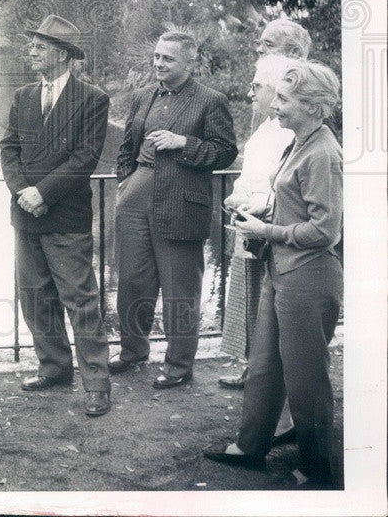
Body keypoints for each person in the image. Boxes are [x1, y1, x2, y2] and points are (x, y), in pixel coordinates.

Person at [204, 62, 344, 488]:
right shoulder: (299, 141)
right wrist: (263, 211)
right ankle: (251, 447)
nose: (275, 107)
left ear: (313, 107)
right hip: (281, 270)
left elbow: (324, 230)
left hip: (308, 277)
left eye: (283, 100)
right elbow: (296, 203)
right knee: (264, 364)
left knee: (306, 379)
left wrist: (265, 229)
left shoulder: (323, 153)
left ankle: (319, 468)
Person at [109, 31, 237, 388]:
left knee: (181, 288)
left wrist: (184, 143)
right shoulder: (142, 96)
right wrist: (126, 180)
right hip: (136, 195)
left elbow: (225, 151)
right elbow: (126, 146)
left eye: (168, 59)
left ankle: (179, 366)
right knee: (132, 280)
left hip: (181, 201)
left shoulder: (210, 100)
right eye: (156, 57)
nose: (159, 64)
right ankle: (133, 351)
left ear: (190, 62)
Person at [0, 15, 112, 418]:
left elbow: (85, 158)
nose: (31, 51)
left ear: (62, 55)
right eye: (32, 45)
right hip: (26, 214)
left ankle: (97, 384)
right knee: (34, 297)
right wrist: (22, 192)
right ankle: (54, 367)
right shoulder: (23, 96)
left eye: (39, 46)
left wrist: (43, 193)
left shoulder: (92, 99)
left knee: (81, 301)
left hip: (66, 217)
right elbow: (8, 149)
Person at [219, 55, 298, 390]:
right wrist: (235, 195)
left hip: (265, 227)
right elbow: (249, 175)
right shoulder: (264, 128)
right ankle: (252, 368)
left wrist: (254, 204)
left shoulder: (287, 134)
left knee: (266, 302)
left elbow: (281, 186)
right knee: (248, 299)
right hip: (247, 224)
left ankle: (266, 375)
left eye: (257, 86)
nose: (250, 93)